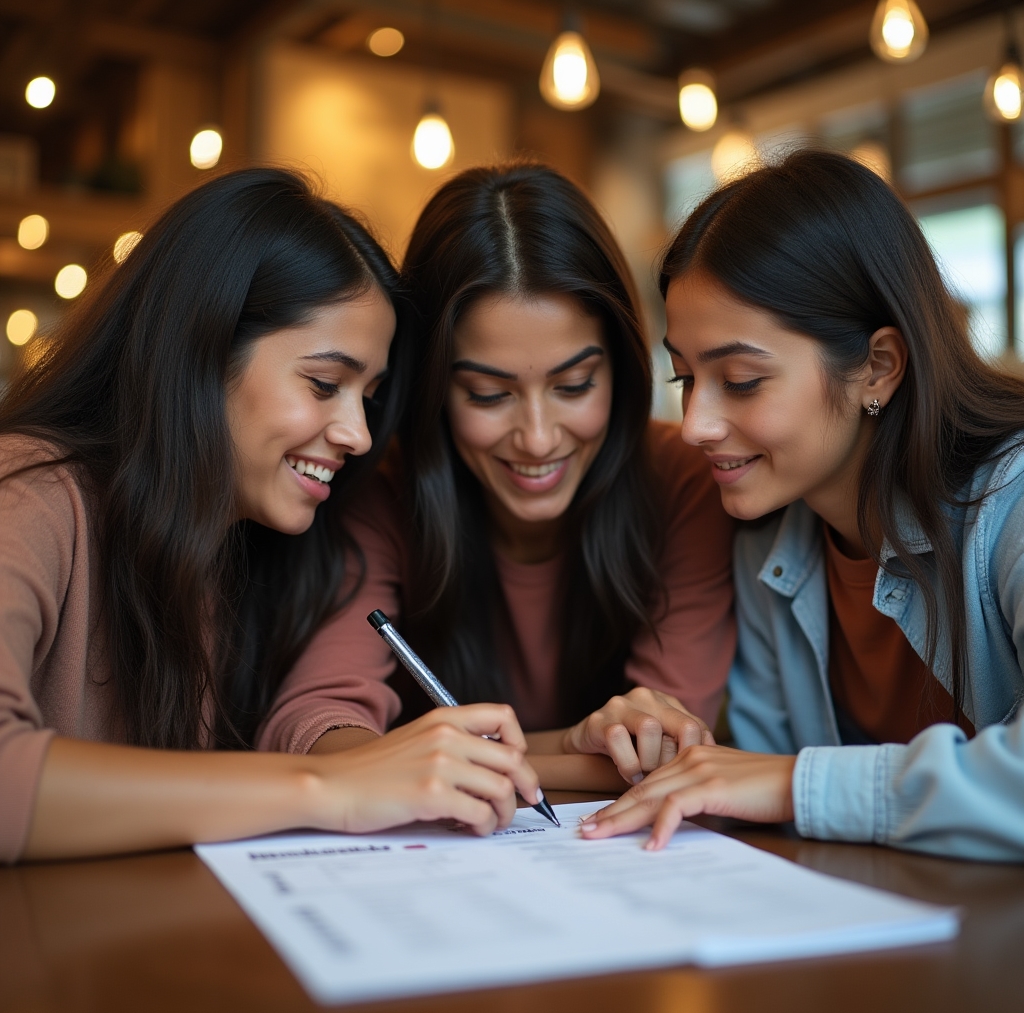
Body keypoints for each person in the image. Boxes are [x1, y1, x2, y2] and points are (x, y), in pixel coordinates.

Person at [0, 168, 541, 864]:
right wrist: (327, 787)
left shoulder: (246, 554)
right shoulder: (30, 493)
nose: (359, 434)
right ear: (200, 350)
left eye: (369, 397)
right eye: (324, 384)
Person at [583, 150, 1024, 860]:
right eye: (685, 376)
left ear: (878, 366)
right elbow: (754, 799)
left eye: (743, 379)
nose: (694, 424)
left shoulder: (1014, 502)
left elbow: (775, 785)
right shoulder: (769, 541)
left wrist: (793, 785)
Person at [260, 163, 736, 790]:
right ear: (432, 389)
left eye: (574, 385)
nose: (538, 437)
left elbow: (663, 753)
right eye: (488, 394)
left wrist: (418, 757)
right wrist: (571, 747)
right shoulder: (380, 484)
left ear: (620, 371)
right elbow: (315, 731)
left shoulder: (686, 480)